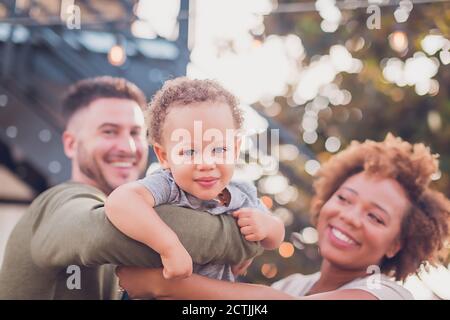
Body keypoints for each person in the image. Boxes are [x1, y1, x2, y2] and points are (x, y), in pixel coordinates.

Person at [0, 76, 262, 300]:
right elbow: (104, 232)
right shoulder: (60, 203)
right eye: (109, 132)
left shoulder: (147, 210)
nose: (128, 147)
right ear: (70, 144)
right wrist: (247, 237)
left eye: (135, 133)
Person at [116, 134, 450, 300]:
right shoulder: (295, 285)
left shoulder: (386, 292)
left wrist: (164, 282)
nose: (350, 217)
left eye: (375, 218)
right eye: (345, 199)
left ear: (396, 245)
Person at [105, 77, 285, 282]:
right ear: (164, 157)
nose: (207, 163)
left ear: (234, 149)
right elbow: (120, 202)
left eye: (219, 149)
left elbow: (276, 237)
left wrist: (267, 226)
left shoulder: (241, 193)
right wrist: (168, 246)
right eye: (190, 151)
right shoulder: (168, 185)